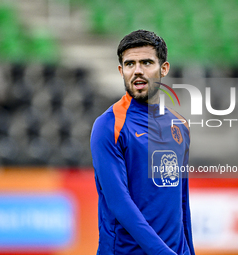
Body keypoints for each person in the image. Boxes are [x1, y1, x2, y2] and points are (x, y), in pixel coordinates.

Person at [90, 30, 195, 255]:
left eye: (146, 62)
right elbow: (120, 204)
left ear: (164, 69)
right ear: (121, 71)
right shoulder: (109, 126)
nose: (137, 70)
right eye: (130, 64)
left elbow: (181, 201)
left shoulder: (180, 125)